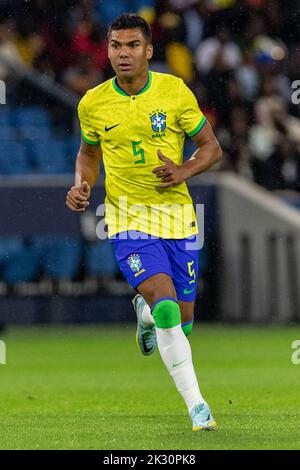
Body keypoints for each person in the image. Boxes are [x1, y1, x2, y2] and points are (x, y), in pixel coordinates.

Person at [66, 13, 222, 431]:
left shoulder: (173, 91)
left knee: (182, 321)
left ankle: (145, 312)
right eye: (116, 45)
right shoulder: (93, 102)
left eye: (133, 45)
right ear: (108, 50)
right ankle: (198, 407)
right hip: (128, 221)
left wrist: (184, 171)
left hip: (177, 219)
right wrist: (81, 184)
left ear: (149, 50)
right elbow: (88, 154)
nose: (123, 53)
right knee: (169, 309)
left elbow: (211, 148)